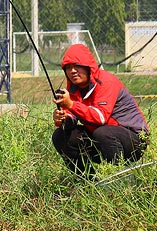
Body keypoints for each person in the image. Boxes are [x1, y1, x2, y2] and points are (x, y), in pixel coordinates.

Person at [52, 43, 149, 179]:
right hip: (103, 139)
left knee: (103, 133)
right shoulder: (73, 89)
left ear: (88, 66)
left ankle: (119, 181)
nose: (72, 71)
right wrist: (63, 119)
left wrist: (71, 105)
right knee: (61, 136)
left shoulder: (106, 81)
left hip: (134, 140)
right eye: (68, 67)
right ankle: (88, 183)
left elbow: (100, 117)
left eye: (76, 66)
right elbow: (73, 116)